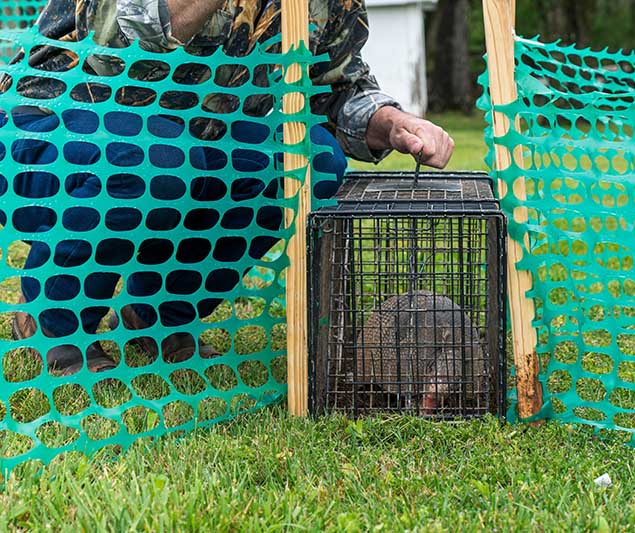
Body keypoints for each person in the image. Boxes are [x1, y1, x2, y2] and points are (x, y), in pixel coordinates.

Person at [7, 0, 455, 375]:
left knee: (310, 160)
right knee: (157, 159)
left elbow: (335, 90)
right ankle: (54, 317)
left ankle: (158, 316)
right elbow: (119, 43)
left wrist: (395, 122)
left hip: (185, 145)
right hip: (46, 127)